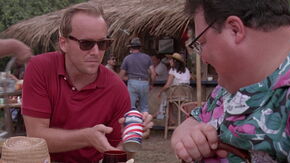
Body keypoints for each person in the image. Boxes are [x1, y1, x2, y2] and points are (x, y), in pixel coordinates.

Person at [21, 2, 153, 163]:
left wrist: (130, 139)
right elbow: (35, 137)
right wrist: (87, 137)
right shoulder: (40, 68)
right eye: (86, 43)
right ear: (64, 43)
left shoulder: (116, 88)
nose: (96, 52)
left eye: (103, 43)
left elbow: (117, 155)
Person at [171, 0, 290, 162]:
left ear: (235, 29)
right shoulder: (237, 80)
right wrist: (187, 132)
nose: (202, 58)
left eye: (201, 43)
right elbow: (197, 119)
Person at [119, 37, 156, 113]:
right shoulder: (147, 57)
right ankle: (144, 123)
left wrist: (128, 78)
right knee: (144, 107)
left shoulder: (127, 58)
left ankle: (133, 123)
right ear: (140, 47)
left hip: (132, 82)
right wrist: (151, 84)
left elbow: (121, 76)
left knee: (131, 107)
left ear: (131, 48)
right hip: (144, 83)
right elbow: (153, 73)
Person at [157, 52, 191, 124]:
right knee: (169, 99)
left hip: (176, 93)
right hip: (186, 94)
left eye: (170, 60)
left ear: (174, 61)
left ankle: (169, 118)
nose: (169, 61)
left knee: (167, 100)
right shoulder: (186, 70)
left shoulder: (173, 70)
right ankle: (186, 120)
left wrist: (160, 92)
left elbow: (168, 85)